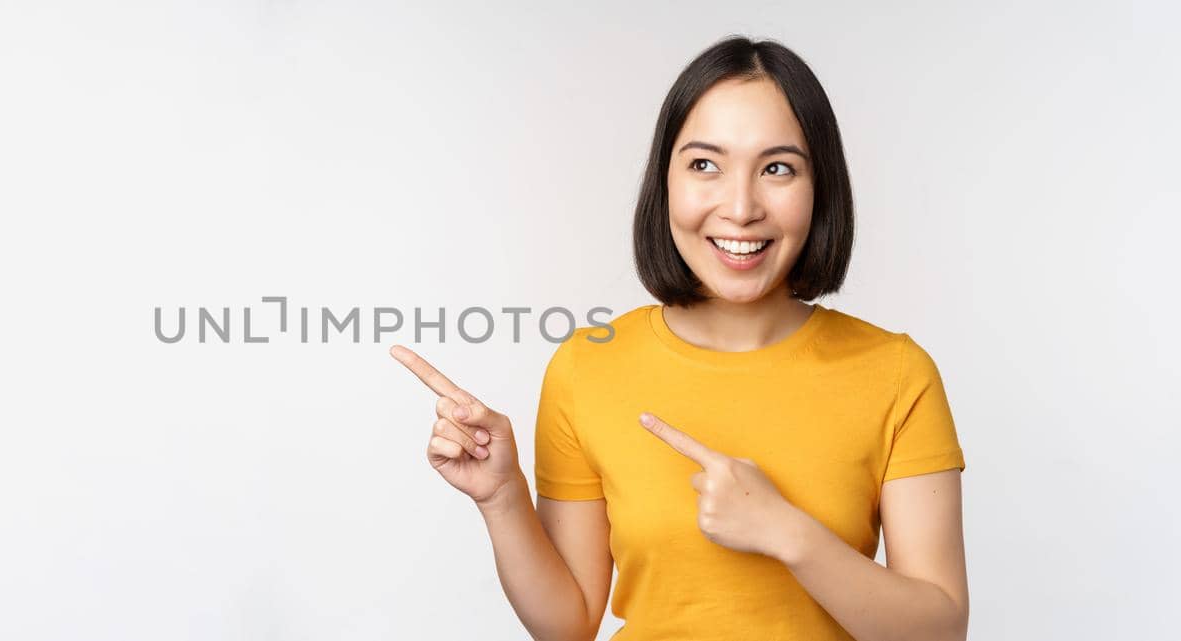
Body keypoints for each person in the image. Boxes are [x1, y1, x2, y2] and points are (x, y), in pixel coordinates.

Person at [390, 36, 967, 641]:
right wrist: (503, 498)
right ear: (664, 181)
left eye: (777, 168)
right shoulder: (588, 368)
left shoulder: (896, 373)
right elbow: (569, 625)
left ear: (820, 185)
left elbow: (939, 630)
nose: (740, 208)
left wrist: (786, 533)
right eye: (704, 165)